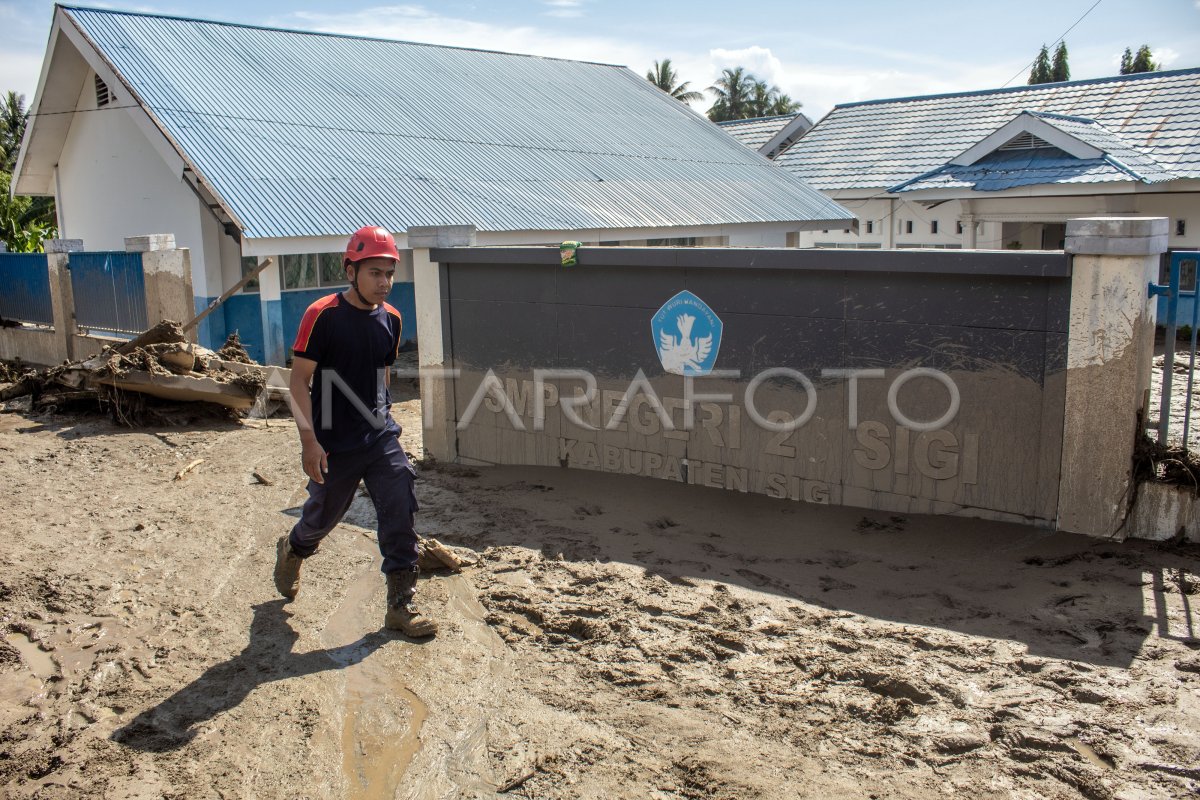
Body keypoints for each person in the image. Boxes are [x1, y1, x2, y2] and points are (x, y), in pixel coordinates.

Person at [272, 226, 437, 637]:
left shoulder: (392, 321)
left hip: (379, 436)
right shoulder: (322, 316)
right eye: (374, 273)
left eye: (389, 273)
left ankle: (401, 607)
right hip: (333, 442)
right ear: (351, 271)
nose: (384, 282)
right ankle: (294, 548)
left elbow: (381, 369)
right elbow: (298, 382)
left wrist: (384, 410)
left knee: (399, 504)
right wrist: (309, 442)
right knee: (322, 518)